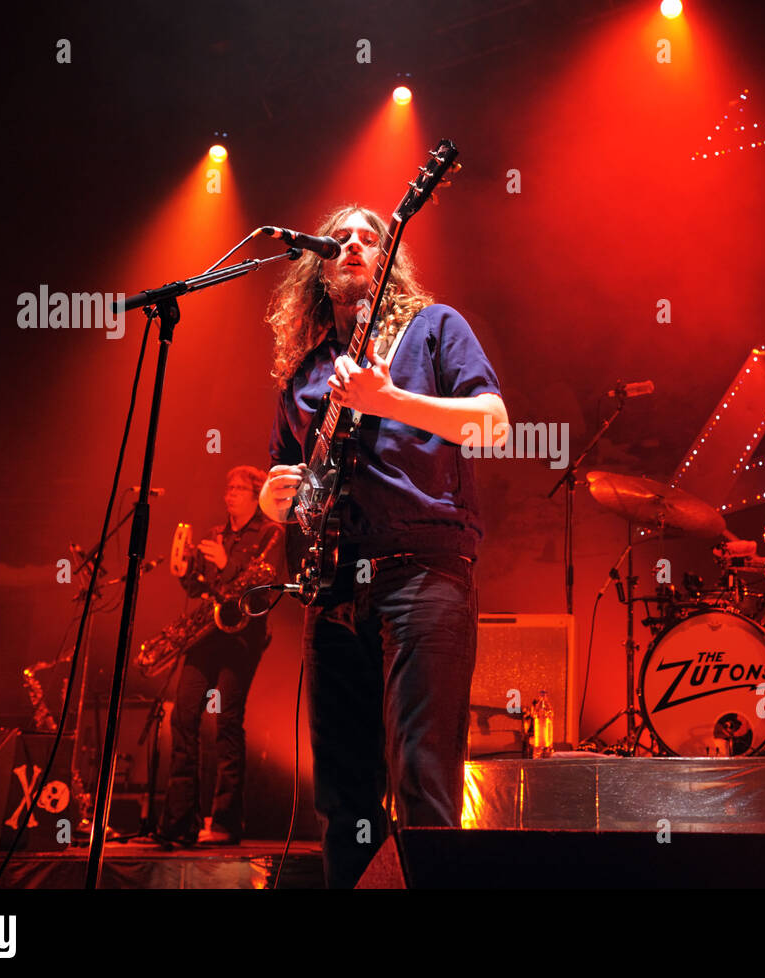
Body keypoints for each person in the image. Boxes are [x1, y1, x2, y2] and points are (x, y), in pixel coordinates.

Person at [258, 204, 508, 888]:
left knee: (422, 784)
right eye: (339, 239)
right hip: (332, 588)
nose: (354, 246)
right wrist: (273, 500)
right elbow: (287, 480)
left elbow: (493, 425)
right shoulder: (306, 373)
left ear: (389, 257)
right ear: (316, 264)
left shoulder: (433, 330)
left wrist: (389, 399)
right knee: (343, 801)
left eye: (370, 237)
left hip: (422, 574)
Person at [156, 465, 283, 847]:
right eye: (227, 487)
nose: (229, 494)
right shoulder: (214, 535)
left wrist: (228, 565)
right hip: (207, 635)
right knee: (184, 715)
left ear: (255, 495)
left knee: (227, 722)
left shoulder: (270, 534)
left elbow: (262, 586)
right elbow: (199, 589)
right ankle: (181, 821)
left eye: (238, 489)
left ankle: (227, 821)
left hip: (243, 637)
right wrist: (185, 571)